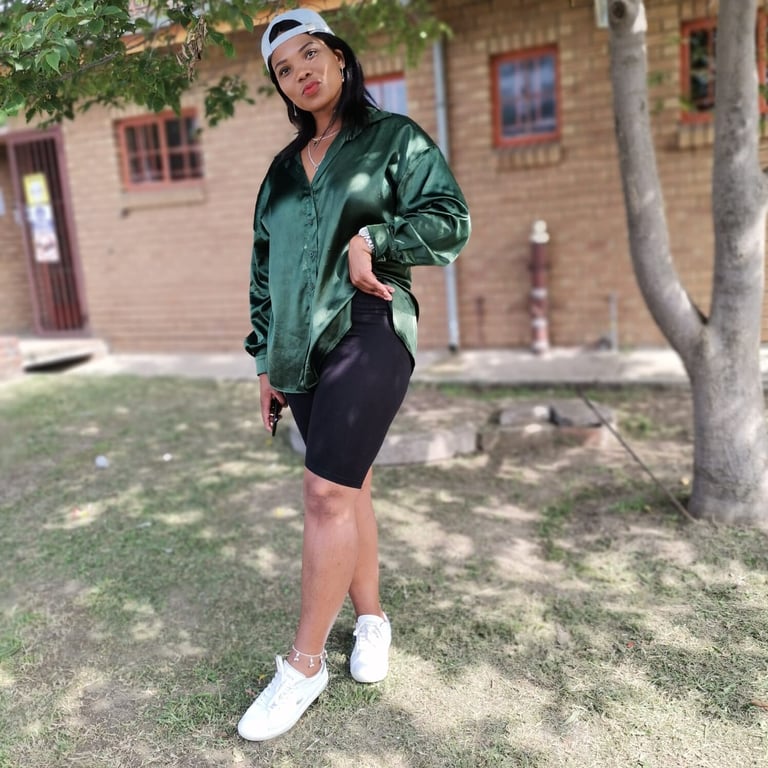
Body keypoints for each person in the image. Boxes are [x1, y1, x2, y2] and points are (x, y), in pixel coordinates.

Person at [238, 8, 471, 742]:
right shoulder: (280, 174)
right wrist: (264, 361)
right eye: (283, 69)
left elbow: (451, 218)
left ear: (339, 57)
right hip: (296, 348)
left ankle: (304, 666)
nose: (300, 73)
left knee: (324, 492)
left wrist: (376, 236)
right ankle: (371, 620)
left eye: (310, 54)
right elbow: (263, 275)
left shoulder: (394, 138)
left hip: (369, 321)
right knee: (351, 485)